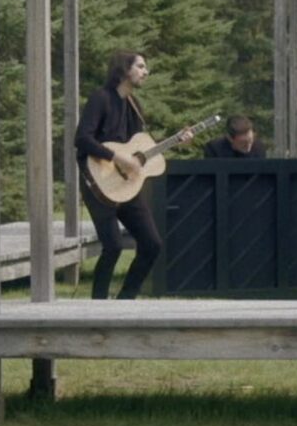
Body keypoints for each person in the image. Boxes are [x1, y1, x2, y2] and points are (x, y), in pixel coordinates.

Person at [74, 49, 203, 301]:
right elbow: (82, 139)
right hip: (98, 182)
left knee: (152, 244)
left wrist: (177, 140)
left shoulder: (134, 105)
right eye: (141, 66)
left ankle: (125, 300)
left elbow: (140, 147)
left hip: (127, 185)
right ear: (124, 69)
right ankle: (98, 306)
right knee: (112, 246)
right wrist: (117, 157)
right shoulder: (101, 99)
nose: (146, 72)